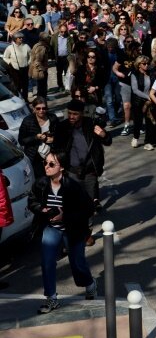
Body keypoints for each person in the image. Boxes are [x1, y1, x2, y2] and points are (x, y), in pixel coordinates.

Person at [29, 151, 97, 314]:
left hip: (73, 230)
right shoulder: (41, 184)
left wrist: (64, 216)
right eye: (45, 163)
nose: (47, 166)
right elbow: (32, 201)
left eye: (52, 164)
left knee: (77, 263)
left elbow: (88, 209)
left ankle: (90, 284)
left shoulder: (73, 186)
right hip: (51, 228)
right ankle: (51, 298)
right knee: (47, 262)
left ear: (62, 167)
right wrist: (42, 210)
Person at [53, 99, 111, 213]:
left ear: (82, 113)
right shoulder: (62, 127)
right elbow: (56, 149)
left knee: (90, 203)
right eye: (69, 113)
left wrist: (104, 135)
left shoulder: (91, 124)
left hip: (90, 170)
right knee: (76, 203)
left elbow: (108, 141)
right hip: (71, 172)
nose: (71, 116)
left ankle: (90, 216)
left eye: (75, 114)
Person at [19, 97, 59, 178]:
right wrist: (36, 137)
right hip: (35, 157)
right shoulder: (28, 121)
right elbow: (21, 140)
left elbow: (61, 134)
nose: (41, 110)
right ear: (34, 108)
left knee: (54, 177)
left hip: (51, 153)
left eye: (44, 108)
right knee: (42, 179)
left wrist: (54, 139)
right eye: (38, 108)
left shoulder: (52, 118)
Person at [4, 31, 31, 101]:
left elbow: (31, 56)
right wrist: (10, 62)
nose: (21, 39)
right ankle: (19, 99)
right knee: (17, 86)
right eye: (19, 38)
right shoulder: (10, 48)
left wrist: (28, 63)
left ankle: (25, 99)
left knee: (25, 86)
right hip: (15, 70)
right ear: (15, 39)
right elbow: (5, 57)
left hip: (25, 68)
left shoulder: (26, 46)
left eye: (22, 38)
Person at [29, 32, 50, 100]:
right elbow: (37, 61)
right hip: (40, 70)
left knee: (41, 87)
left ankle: (41, 99)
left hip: (39, 69)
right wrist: (42, 69)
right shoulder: (41, 47)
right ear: (45, 39)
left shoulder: (38, 45)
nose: (49, 39)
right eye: (48, 38)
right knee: (42, 88)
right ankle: (42, 101)